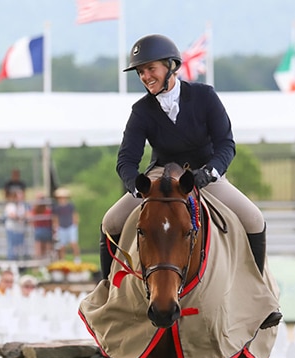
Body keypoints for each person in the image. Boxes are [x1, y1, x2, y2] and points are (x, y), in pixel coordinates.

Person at [99, 34, 281, 329]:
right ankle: (107, 293)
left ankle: (258, 296)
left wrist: (210, 171)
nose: (145, 76)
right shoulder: (141, 110)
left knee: (253, 219)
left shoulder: (204, 96)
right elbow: (126, 159)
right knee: (111, 222)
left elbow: (226, 144)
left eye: (151, 69)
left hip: (204, 172)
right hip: (161, 174)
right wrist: (135, 184)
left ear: (171, 66)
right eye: (141, 72)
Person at [52, 187, 81, 263]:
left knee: (73, 243)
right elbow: (56, 217)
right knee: (62, 245)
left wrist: (75, 224)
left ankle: (77, 259)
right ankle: (62, 260)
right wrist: (56, 226)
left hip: (70, 226)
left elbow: (74, 215)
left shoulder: (70, 206)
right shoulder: (57, 207)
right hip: (61, 227)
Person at [4, 188, 29, 260]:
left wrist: (21, 217)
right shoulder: (10, 205)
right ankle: (11, 261)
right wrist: (20, 217)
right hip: (12, 229)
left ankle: (20, 262)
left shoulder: (23, 205)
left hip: (20, 229)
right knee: (11, 246)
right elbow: (12, 215)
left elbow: (27, 214)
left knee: (20, 247)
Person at [30, 193, 54, 259]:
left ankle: (38, 265)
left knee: (38, 250)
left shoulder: (34, 210)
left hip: (39, 230)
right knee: (47, 250)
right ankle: (46, 264)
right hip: (47, 230)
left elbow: (31, 221)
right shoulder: (47, 210)